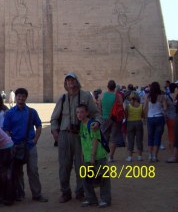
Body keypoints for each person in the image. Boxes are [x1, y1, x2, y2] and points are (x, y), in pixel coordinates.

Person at [50, 72, 102, 203]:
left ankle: (80, 191)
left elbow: (96, 113)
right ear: (65, 84)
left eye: (72, 80)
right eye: (68, 80)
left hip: (82, 135)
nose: (70, 82)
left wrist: (97, 122)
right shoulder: (62, 98)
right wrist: (55, 132)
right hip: (64, 135)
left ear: (77, 81)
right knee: (64, 165)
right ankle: (65, 192)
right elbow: (54, 118)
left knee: (81, 165)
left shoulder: (85, 96)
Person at [3, 87, 48, 203]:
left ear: (26, 98)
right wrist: (10, 142)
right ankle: (20, 193)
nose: (21, 98)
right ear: (16, 97)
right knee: (18, 172)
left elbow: (38, 125)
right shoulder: (9, 113)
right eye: (19, 96)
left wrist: (36, 139)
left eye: (23, 96)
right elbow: (6, 129)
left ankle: (37, 194)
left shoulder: (32, 112)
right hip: (16, 146)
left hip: (30, 146)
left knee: (33, 170)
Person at [76, 104, 111, 208]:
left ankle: (105, 199)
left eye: (82, 112)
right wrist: (83, 155)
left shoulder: (92, 124)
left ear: (87, 113)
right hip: (87, 156)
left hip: (98, 155)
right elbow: (83, 141)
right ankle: (91, 199)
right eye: (77, 112)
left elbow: (95, 140)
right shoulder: (81, 125)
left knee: (103, 178)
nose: (79, 114)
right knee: (86, 178)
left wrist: (92, 156)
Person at [100, 80, 124, 162]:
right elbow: (121, 107)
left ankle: (104, 155)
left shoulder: (102, 95)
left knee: (104, 137)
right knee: (114, 137)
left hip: (105, 118)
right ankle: (111, 157)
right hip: (115, 119)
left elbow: (99, 107)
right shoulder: (118, 96)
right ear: (115, 87)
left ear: (107, 86)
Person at [143, 81, 167, 162]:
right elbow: (165, 108)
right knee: (157, 137)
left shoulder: (147, 97)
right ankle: (155, 156)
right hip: (159, 117)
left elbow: (144, 108)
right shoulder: (161, 97)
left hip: (150, 118)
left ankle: (150, 155)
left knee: (150, 136)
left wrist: (145, 116)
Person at [124, 92, 144, 161]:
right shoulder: (141, 105)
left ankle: (130, 157)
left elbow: (126, 116)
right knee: (139, 140)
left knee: (130, 140)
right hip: (139, 122)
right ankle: (139, 156)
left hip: (130, 122)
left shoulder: (128, 106)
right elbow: (142, 115)